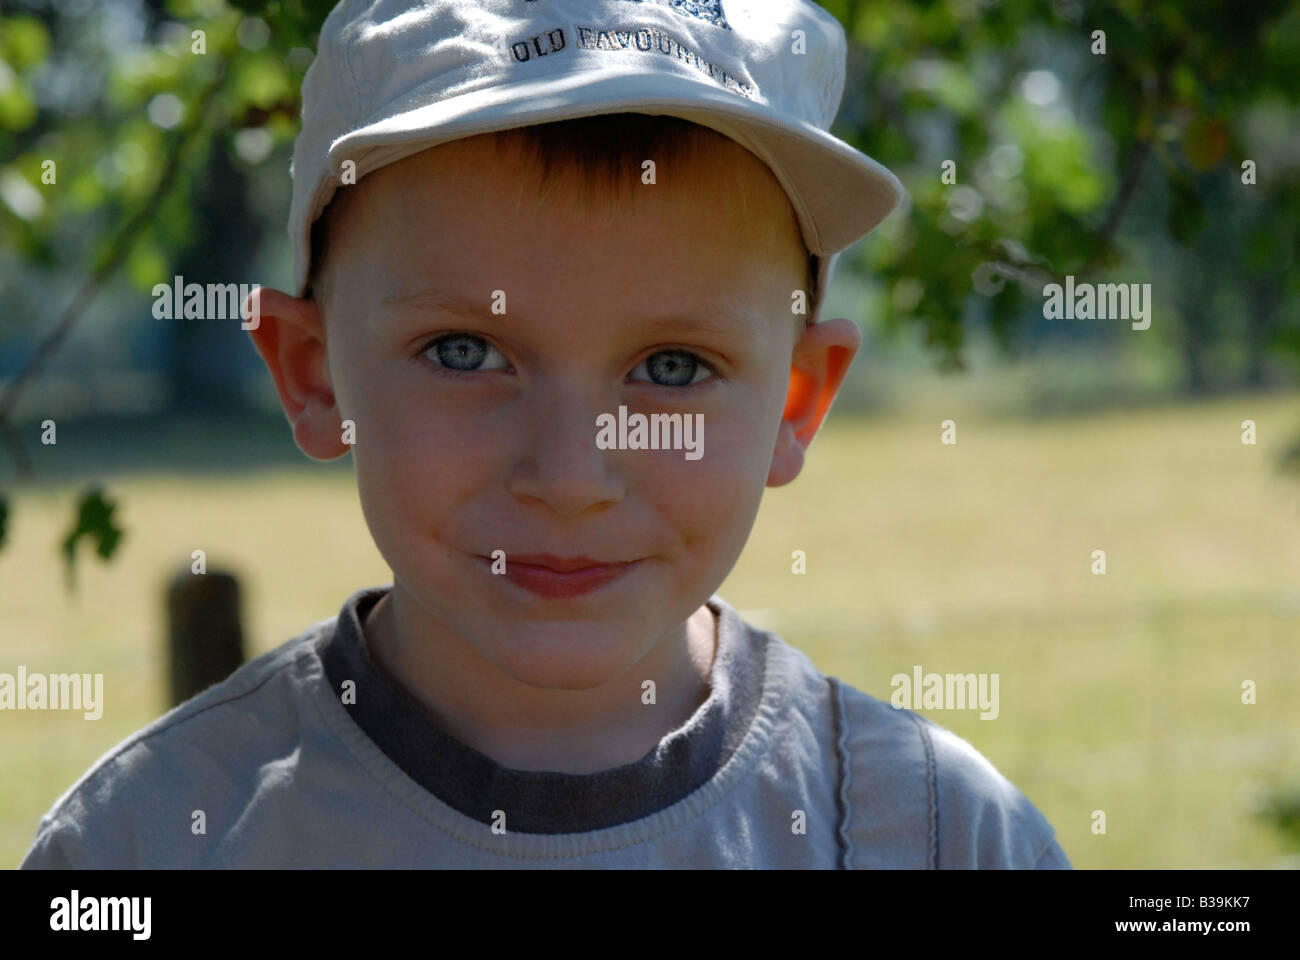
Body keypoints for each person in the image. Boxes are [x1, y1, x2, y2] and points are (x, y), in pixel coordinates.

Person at [20, 0, 1070, 868]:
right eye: (466, 353)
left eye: (671, 369)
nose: (570, 476)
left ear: (796, 400)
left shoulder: (940, 840)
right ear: (311, 371)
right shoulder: (143, 850)